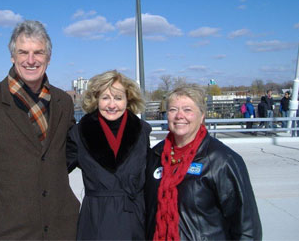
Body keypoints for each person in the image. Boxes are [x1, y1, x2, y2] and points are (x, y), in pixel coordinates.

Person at [0, 20, 80, 240]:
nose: (30, 60)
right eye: (23, 52)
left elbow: (68, 154)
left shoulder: (63, 102)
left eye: (38, 53)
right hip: (9, 233)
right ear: (13, 57)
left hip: (63, 230)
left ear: (48, 58)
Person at [145, 84, 262, 241]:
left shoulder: (222, 160)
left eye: (187, 110)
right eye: (173, 110)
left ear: (202, 116)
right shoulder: (156, 155)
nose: (179, 115)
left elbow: (247, 228)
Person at [66, 70, 152, 240]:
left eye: (118, 98)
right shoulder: (78, 133)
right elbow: (53, 170)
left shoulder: (142, 131)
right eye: (105, 98)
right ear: (96, 100)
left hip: (134, 220)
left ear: (128, 100)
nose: (112, 105)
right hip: (96, 221)